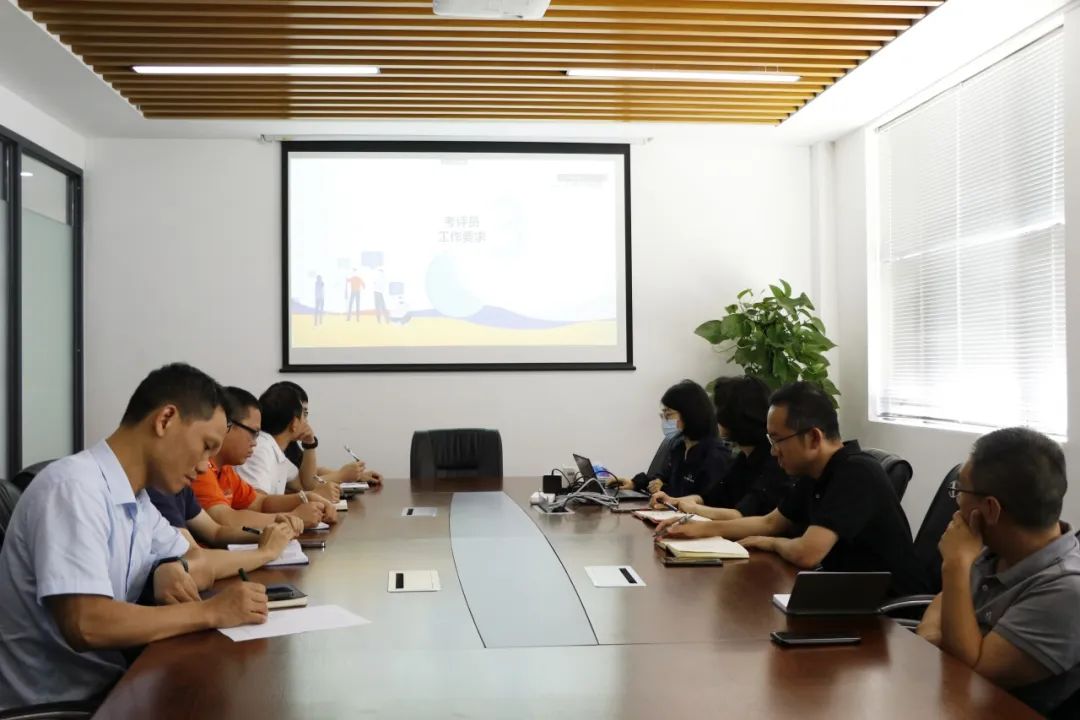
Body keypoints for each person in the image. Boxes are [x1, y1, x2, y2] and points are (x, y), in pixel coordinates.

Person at [0, 363, 269, 711]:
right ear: (165, 419)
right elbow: (87, 624)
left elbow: (198, 559)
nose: (206, 466)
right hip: (58, 706)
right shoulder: (74, 488)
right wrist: (210, 612)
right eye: (206, 446)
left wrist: (172, 566)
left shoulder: (137, 501)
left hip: (112, 686)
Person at [655, 381, 927, 598]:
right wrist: (697, 529)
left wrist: (770, 543)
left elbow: (807, 553)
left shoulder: (856, 472)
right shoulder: (815, 472)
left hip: (888, 612)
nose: (773, 451)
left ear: (813, 438)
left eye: (777, 440)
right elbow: (769, 522)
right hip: (846, 596)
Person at [916, 428, 1080, 716]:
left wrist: (955, 565)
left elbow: (969, 675)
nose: (956, 503)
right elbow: (941, 605)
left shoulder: (1066, 591)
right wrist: (935, 642)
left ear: (991, 509)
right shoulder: (995, 547)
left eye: (960, 491)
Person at [653, 375, 793, 521]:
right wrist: (674, 501)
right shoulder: (744, 457)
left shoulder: (772, 460)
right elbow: (709, 498)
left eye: (720, 409)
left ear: (736, 416)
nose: (716, 415)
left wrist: (692, 508)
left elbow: (741, 515)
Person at [192, 387, 334, 530]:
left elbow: (260, 503)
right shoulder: (201, 468)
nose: (255, 442)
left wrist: (305, 498)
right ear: (226, 424)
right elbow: (224, 519)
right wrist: (292, 517)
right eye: (253, 433)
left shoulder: (225, 469)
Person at [610, 380, 734, 500]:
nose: (665, 420)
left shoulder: (715, 455)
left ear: (689, 414)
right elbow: (659, 479)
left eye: (668, 414)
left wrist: (663, 488)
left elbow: (704, 500)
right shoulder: (679, 447)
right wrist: (635, 483)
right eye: (663, 414)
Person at [234, 383, 342, 505]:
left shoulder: (276, 451)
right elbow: (256, 503)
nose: (306, 422)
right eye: (303, 415)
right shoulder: (260, 449)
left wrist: (310, 445)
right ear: (294, 423)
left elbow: (304, 485)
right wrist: (313, 495)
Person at [272, 380, 383, 486]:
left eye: (306, 413)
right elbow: (306, 484)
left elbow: (311, 472)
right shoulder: (272, 447)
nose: (306, 421)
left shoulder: (290, 444)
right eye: (303, 413)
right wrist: (341, 475)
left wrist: (357, 475)